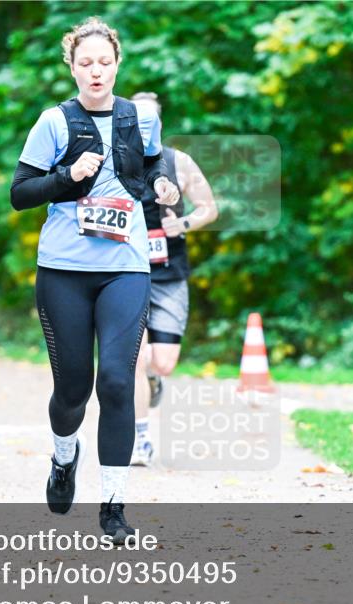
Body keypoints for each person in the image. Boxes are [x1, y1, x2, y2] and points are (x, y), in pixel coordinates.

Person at [11, 17, 180, 543]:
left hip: (126, 266)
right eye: (86, 63)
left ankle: (113, 506)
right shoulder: (54, 122)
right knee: (73, 389)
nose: (96, 71)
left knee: (115, 380)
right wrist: (68, 178)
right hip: (63, 268)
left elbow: (151, 172)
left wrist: (166, 188)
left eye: (104, 62)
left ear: (117, 64)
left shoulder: (140, 117)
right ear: (72, 67)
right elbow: (20, 192)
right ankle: (64, 457)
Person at [128, 92, 219, 465]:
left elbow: (209, 208)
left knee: (160, 362)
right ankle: (140, 439)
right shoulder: (115, 161)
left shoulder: (178, 161)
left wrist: (180, 224)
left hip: (169, 273)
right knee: (134, 356)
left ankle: (154, 380)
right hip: (126, 272)